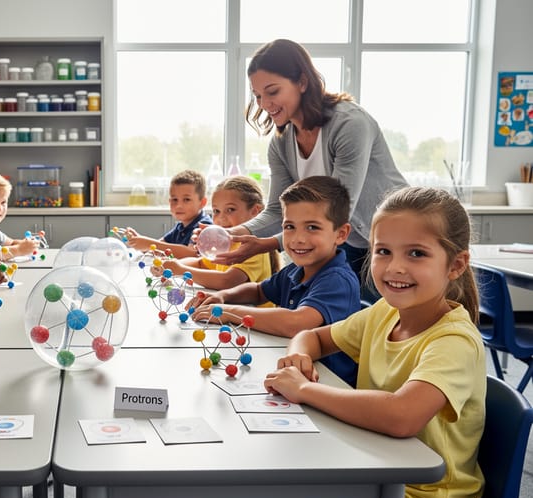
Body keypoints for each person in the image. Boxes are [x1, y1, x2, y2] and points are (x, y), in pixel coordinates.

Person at [258, 186, 484, 498]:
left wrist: (305, 389)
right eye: (383, 252)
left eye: (416, 254)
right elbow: (313, 337)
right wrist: (299, 354)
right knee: (251, 497)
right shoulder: (384, 313)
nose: (394, 268)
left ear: (456, 265)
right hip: (366, 471)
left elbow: (401, 415)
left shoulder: (454, 341)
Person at [211, 39, 408, 299]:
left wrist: (269, 244)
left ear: (302, 82)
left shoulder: (349, 124)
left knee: (397, 322)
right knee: (354, 322)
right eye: (258, 95)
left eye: (272, 91)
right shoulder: (281, 143)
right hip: (347, 240)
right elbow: (275, 210)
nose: (264, 103)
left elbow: (340, 210)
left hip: (399, 237)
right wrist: (233, 233)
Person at [188, 176, 360, 385]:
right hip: (294, 375)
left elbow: (296, 323)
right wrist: (224, 296)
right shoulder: (296, 270)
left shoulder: (337, 279)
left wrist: (231, 313)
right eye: (289, 227)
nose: (298, 238)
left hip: (328, 384)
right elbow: (259, 290)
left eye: (312, 227)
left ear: (341, 234)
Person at [161, 175, 277, 291]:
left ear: (255, 211)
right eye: (216, 211)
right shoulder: (225, 242)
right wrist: (170, 265)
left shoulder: (255, 248)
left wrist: (180, 270)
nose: (221, 219)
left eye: (230, 210)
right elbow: (201, 263)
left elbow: (227, 281)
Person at [123, 169, 212, 258]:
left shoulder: (204, 226)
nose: (178, 205)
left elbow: (192, 254)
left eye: (186, 199)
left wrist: (148, 244)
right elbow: (158, 248)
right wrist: (138, 241)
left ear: (202, 203)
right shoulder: (179, 227)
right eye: (174, 200)